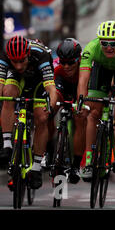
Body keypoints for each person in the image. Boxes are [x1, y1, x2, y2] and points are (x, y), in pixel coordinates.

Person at [77, 20, 115, 180]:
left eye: (113, 43)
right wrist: (81, 102)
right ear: (99, 41)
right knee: (93, 112)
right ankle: (89, 160)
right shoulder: (91, 48)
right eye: (104, 43)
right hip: (101, 70)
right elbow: (83, 81)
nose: (109, 47)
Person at [0, 35, 58, 189]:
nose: (18, 66)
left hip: (39, 82)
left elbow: (51, 89)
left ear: (28, 54)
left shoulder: (41, 55)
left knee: (41, 117)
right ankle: (7, 144)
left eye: (22, 61)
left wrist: (50, 107)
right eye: (14, 62)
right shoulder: (5, 55)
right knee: (7, 93)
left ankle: (37, 167)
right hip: (18, 80)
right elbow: (0, 83)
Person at [52, 38, 87, 184]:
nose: (66, 66)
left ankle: (75, 166)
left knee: (80, 119)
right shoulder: (56, 66)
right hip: (62, 86)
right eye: (63, 62)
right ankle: (49, 152)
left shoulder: (86, 66)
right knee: (49, 109)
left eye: (70, 62)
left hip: (80, 88)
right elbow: (50, 89)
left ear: (78, 59)